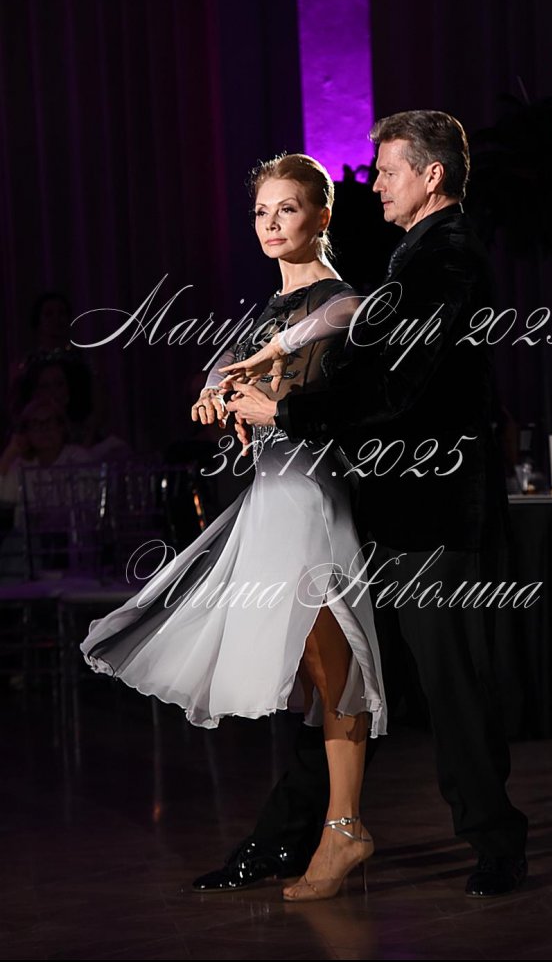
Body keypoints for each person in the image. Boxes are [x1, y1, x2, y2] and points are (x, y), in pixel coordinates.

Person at [196, 110, 529, 898]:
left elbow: (396, 388)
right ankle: (289, 837)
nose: (374, 183)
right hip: (392, 510)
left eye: (387, 170)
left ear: (432, 175)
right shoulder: (416, 254)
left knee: (449, 685)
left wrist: (286, 411)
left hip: (434, 513)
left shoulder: (446, 257)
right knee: (345, 679)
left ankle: (496, 842)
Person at [79, 153, 387, 902]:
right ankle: (320, 827)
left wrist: (255, 386)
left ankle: (345, 826)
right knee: (308, 670)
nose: (271, 223)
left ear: (322, 215)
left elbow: (328, 337)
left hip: (311, 499)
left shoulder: (342, 301)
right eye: (260, 212)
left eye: (288, 208)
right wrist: (217, 391)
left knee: (331, 658)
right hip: (268, 505)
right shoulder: (265, 312)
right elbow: (226, 368)